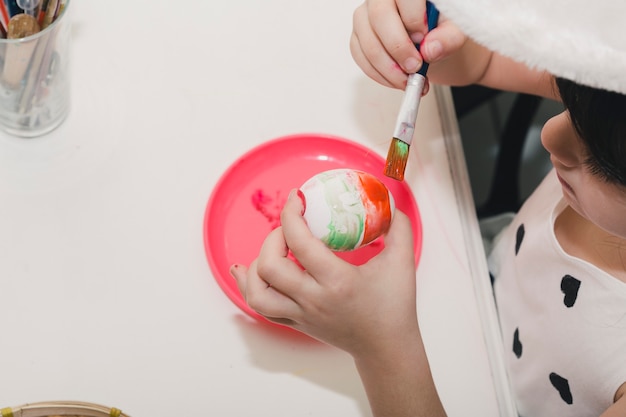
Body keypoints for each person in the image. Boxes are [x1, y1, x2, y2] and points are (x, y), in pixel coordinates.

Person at [230, 0, 626, 416]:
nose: (549, 136)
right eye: (567, 103)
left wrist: (383, 350)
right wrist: (428, 43)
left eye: (605, 161)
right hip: (477, 277)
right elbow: (483, 61)